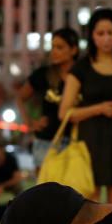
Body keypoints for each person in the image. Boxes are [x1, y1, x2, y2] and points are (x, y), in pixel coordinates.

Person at [58, 9, 112, 203]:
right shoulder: (81, 67)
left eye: (111, 33)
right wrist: (99, 108)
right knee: (90, 206)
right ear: (92, 36)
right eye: (100, 34)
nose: (106, 39)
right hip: (90, 142)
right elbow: (64, 113)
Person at [16, 27, 79, 171]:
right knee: (45, 190)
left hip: (76, 141)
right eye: (53, 47)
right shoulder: (44, 74)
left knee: (73, 190)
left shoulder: (83, 75)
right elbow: (20, 97)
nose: (54, 51)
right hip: (46, 140)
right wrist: (30, 122)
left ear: (73, 50)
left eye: (60, 47)